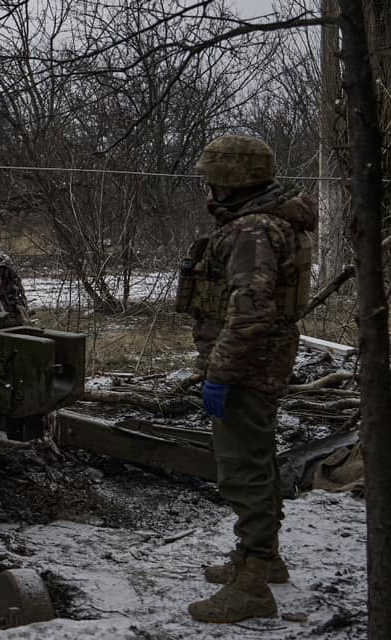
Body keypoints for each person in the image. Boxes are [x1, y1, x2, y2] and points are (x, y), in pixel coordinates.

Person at [181, 135, 315, 623]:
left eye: (211, 179)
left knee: (243, 468)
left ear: (231, 181)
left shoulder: (253, 231)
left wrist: (219, 373)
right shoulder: (266, 223)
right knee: (255, 458)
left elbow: (250, 313)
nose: (207, 189)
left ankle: (253, 583)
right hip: (258, 364)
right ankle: (264, 558)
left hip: (247, 367)